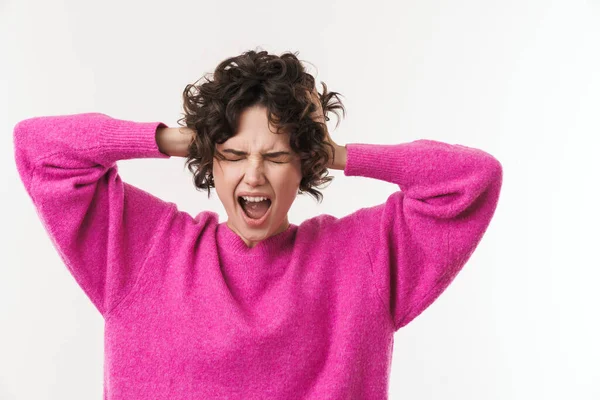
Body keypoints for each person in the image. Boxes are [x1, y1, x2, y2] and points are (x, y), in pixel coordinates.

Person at [13, 49, 503, 399]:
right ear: (210, 161)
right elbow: (40, 146)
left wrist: (336, 153)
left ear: (304, 166)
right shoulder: (146, 249)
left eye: (276, 156)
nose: (253, 174)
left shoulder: (363, 256)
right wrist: (175, 138)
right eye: (231, 155)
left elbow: (471, 179)